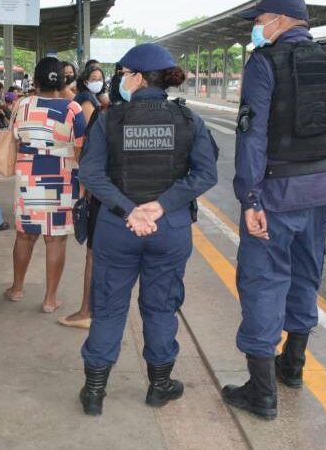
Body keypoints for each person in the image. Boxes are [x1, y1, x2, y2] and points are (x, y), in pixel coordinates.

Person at [222, 0, 326, 420]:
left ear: (281, 20)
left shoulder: (263, 63)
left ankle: (261, 392)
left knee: (263, 282)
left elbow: (251, 136)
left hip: (274, 195)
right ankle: (292, 365)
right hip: (320, 193)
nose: (257, 28)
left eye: (259, 20)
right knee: (306, 274)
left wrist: (250, 198)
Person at [76, 43, 219, 416]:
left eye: (124, 74)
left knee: (108, 306)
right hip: (168, 227)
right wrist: (162, 205)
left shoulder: (109, 119)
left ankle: (94, 392)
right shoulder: (188, 120)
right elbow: (206, 173)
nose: (121, 80)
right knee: (161, 307)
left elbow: (90, 173)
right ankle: (160, 386)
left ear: (138, 77)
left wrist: (129, 209)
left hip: (117, 225)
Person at [4, 57, 86, 314]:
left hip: (29, 176)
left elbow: (14, 137)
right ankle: (50, 299)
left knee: (24, 236)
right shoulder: (73, 109)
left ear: (36, 82)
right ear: (63, 82)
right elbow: (81, 148)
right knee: (55, 240)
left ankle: (17, 289)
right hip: (63, 178)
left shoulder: (22, 105)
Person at [60, 64, 106, 330]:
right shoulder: (90, 102)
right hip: (137, 201)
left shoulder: (101, 108)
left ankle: (87, 311)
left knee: (94, 254)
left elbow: (89, 148)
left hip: (105, 194)